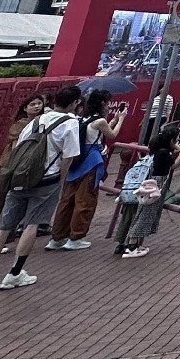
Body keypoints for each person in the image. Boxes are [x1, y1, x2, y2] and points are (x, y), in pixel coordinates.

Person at [0, 83, 81, 292]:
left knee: (3, 227)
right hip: (47, 180)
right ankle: (14, 273)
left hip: (19, 177)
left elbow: (20, 147)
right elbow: (69, 156)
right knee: (31, 225)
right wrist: (60, 179)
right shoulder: (71, 123)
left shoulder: (38, 120)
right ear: (75, 103)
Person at [48, 91, 125, 250]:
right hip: (91, 162)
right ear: (103, 103)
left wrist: (113, 120)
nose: (109, 105)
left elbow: (96, 132)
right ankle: (76, 238)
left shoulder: (82, 119)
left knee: (66, 201)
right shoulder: (100, 120)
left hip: (75, 160)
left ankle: (57, 237)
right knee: (85, 201)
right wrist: (121, 119)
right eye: (108, 102)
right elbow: (111, 134)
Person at [0, 95, 46, 252]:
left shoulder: (39, 123)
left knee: (11, 206)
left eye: (39, 103)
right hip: (11, 169)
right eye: (32, 104)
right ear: (25, 108)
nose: (37, 106)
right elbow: (16, 148)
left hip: (17, 169)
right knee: (1, 206)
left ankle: (3, 240)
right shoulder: (21, 125)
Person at [113, 124, 180, 258]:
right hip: (152, 190)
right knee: (143, 218)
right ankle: (132, 247)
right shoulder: (164, 154)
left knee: (132, 217)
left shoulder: (152, 154)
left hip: (137, 189)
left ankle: (124, 245)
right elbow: (174, 165)